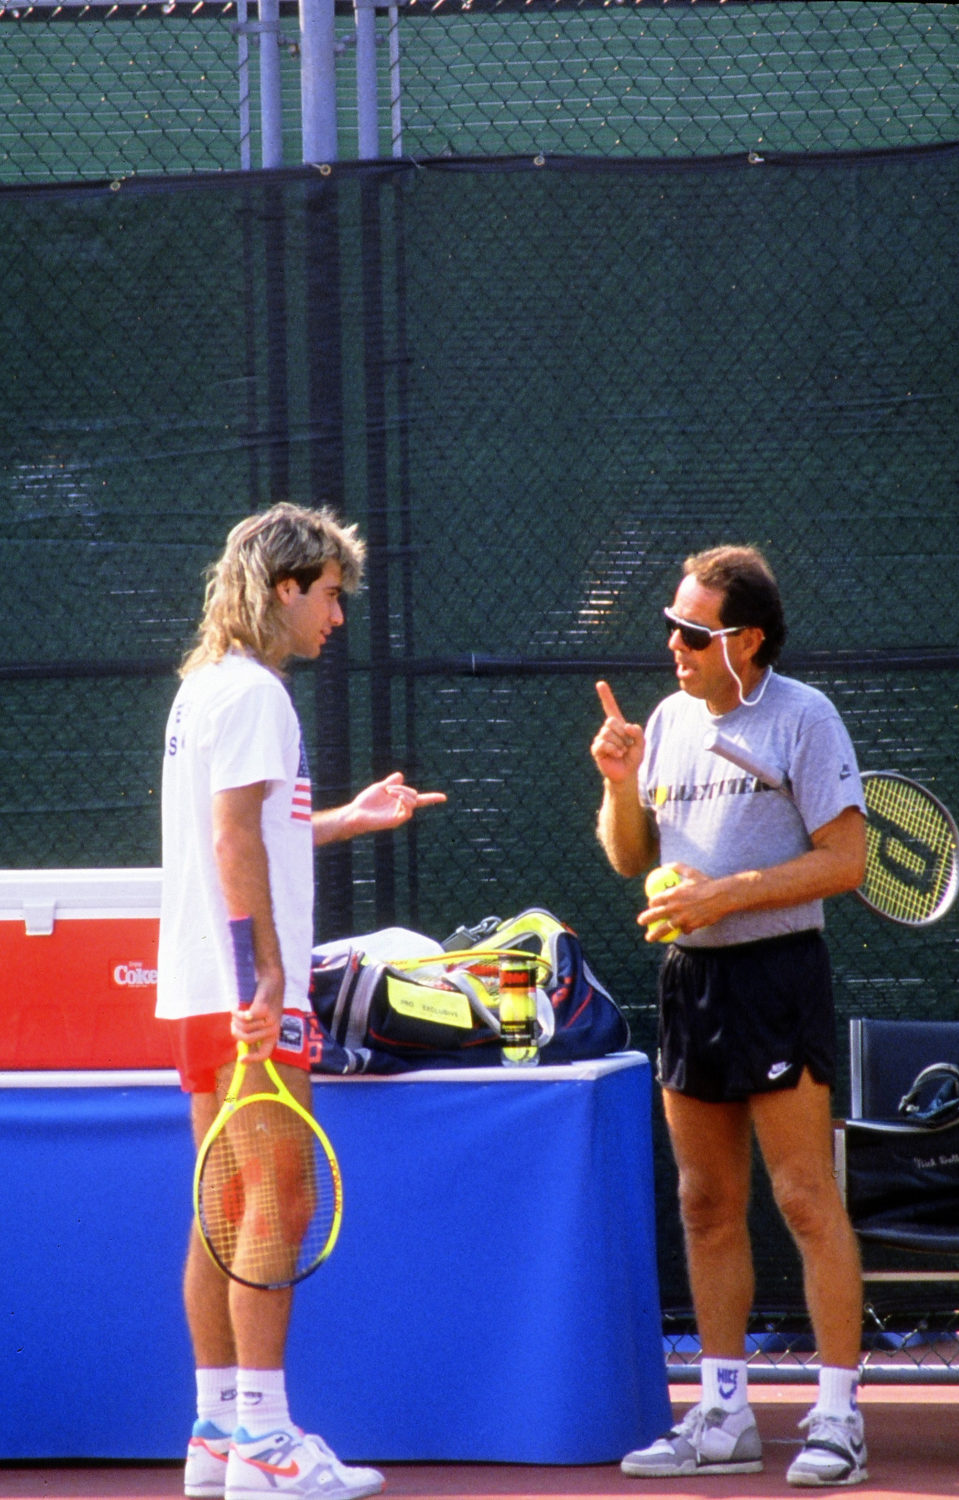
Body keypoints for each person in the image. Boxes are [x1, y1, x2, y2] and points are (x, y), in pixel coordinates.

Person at [156, 501, 446, 1500]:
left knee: (224, 1208)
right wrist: (267, 976)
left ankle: (219, 1436)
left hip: (200, 987)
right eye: (330, 595)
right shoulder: (256, 695)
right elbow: (235, 844)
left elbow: (254, 832)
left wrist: (348, 820)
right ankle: (269, 1443)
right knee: (275, 1200)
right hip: (241, 990)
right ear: (285, 588)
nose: (338, 616)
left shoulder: (208, 691)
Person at [590, 544, 868, 1488]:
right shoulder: (665, 720)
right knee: (703, 1204)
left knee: (801, 1197)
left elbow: (845, 862)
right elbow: (631, 859)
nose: (672, 644)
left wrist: (729, 896)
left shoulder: (803, 718)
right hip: (690, 984)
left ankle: (836, 1417)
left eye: (692, 632)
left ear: (745, 640)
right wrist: (617, 782)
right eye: (671, 628)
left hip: (778, 977)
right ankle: (722, 1416)